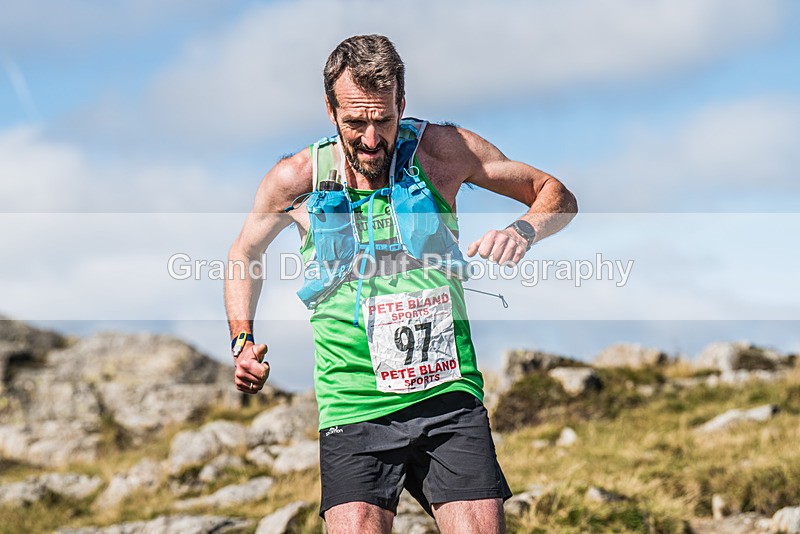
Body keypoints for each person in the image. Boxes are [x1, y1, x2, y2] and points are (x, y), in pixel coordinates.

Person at [224, 34, 577, 534]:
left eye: (383, 120)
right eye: (355, 122)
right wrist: (242, 341)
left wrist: (524, 229)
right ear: (330, 111)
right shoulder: (295, 179)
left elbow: (554, 194)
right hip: (354, 403)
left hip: (447, 394)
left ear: (402, 105)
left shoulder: (443, 152)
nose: (371, 139)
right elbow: (243, 253)